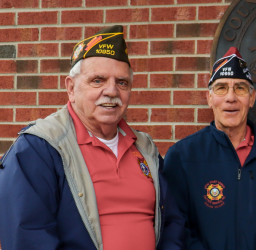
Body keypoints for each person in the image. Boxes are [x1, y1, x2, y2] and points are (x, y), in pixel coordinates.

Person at [0, 25, 183, 250]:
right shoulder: (39, 147)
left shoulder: (145, 148)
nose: (112, 91)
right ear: (71, 88)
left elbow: (172, 221)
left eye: (122, 82)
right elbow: (27, 238)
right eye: (98, 80)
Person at [162, 47, 256, 249]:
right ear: (210, 98)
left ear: (252, 98)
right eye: (221, 88)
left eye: (240, 88)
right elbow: (175, 224)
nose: (231, 97)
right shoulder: (183, 156)